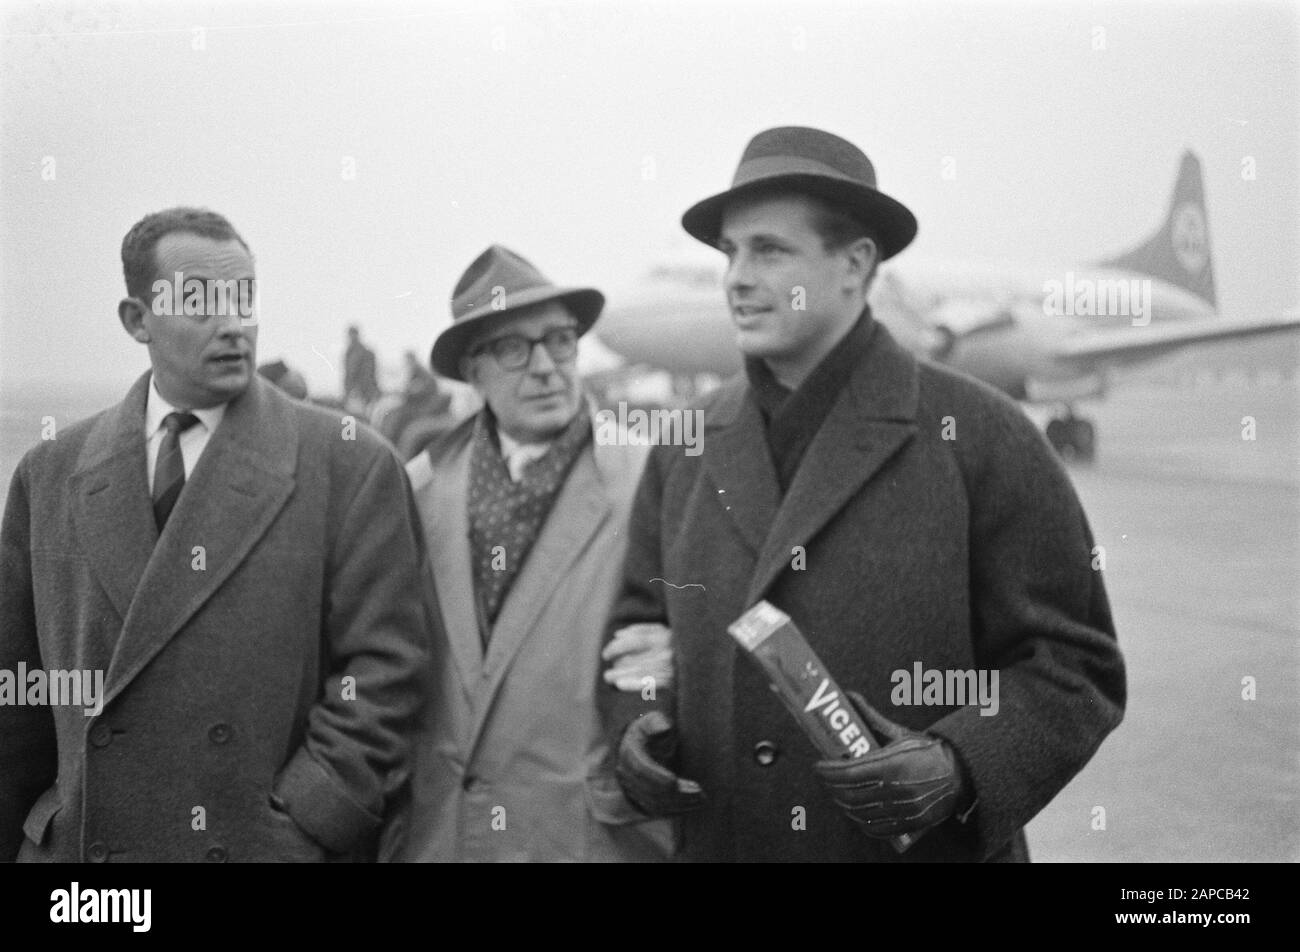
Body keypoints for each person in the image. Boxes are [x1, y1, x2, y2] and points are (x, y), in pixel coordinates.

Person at [599, 127, 1126, 862]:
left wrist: (959, 763)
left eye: (770, 250)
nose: (737, 278)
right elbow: (638, 630)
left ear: (855, 265)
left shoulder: (984, 435)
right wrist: (638, 725)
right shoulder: (685, 444)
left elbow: (1073, 666)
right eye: (729, 253)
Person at [0, 207, 432, 862]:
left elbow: (387, 669)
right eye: (199, 302)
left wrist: (307, 820)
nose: (232, 324)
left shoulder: (348, 463)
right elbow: (20, 689)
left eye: (244, 299)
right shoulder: (51, 473)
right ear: (136, 319)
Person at [381, 245, 669, 862]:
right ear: (473, 370)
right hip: (444, 839)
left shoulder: (649, 477)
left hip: (583, 840)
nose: (546, 366)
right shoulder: (418, 491)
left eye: (560, 341)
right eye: (515, 348)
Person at [343, 325, 380, 414]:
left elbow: (368, 373)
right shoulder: (349, 352)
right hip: (353, 391)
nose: (351, 337)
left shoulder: (364, 352)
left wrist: (357, 389)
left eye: (352, 334)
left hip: (362, 391)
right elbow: (348, 373)